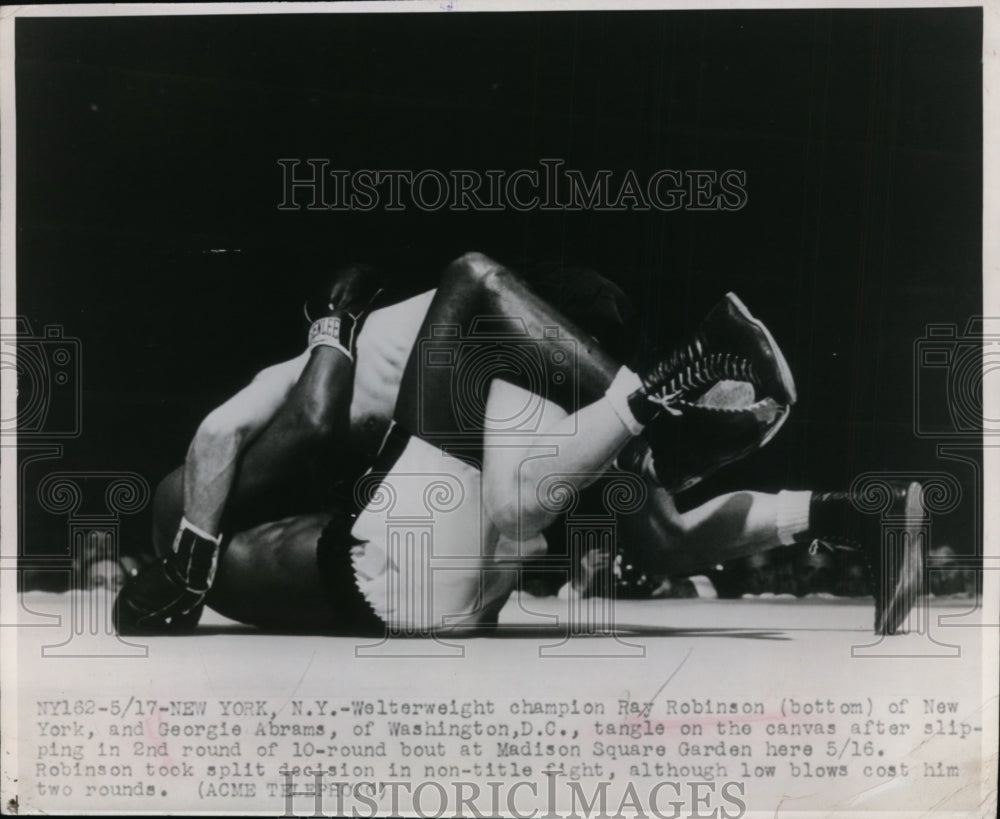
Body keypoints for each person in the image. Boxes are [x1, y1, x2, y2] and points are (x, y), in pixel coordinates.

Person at [114, 253, 922, 637]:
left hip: (424, 586)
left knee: (590, 477)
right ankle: (660, 412)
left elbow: (660, 545)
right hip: (415, 572)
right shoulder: (302, 407)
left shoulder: (450, 389)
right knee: (471, 278)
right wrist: (331, 320)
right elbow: (299, 427)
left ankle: (855, 513)